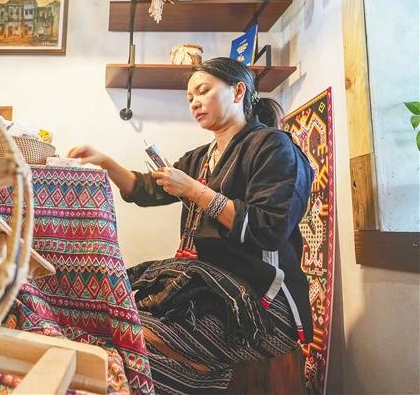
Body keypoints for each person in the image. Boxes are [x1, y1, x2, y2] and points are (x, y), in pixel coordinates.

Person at [68, 57, 314, 393]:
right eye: (189, 97)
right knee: (110, 324)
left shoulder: (273, 146)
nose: (194, 102)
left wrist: (196, 191)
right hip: (206, 296)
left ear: (238, 91)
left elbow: (267, 228)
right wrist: (106, 162)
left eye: (203, 91)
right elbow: (146, 189)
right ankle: (199, 370)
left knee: (131, 341)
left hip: (260, 305)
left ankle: (198, 370)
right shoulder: (201, 157)